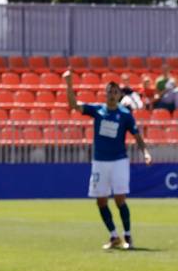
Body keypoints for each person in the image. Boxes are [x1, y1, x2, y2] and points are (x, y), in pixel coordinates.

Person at [63, 70, 152, 249]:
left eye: (115, 92)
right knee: (100, 201)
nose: (112, 94)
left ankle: (127, 236)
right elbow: (74, 105)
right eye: (109, 91)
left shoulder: (125, 114)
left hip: (119, 161)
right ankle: (114, 236)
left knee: (120, 199)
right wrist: (69, 84)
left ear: (119, 95)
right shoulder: (97, 110)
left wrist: (146, 152)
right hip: (99, 162)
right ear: (106, 94)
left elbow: (137, 136)